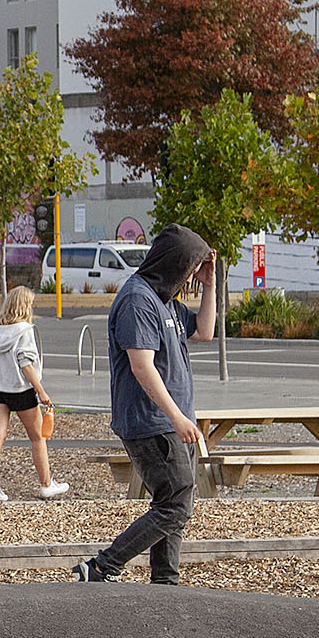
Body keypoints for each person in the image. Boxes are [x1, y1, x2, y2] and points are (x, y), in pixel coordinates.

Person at [76, 227, 219, 583]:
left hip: (172, 421)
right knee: (176, 504)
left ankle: (165, 582)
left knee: (173, 504)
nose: (190, 278)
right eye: (189, 270)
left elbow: (204, 331)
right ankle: (102, 566)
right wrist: (176, 416)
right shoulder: (138, 301)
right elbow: (142, 366)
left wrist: (211, 283)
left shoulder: (165, 300)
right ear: (174, 264)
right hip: (151, 422)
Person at [0, 285, 64, 502]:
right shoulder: (25, 330)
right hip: (21, 390)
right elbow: (25, 363)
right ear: (25, 306)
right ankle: (46, 484)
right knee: (37, 438)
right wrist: (41, 391)